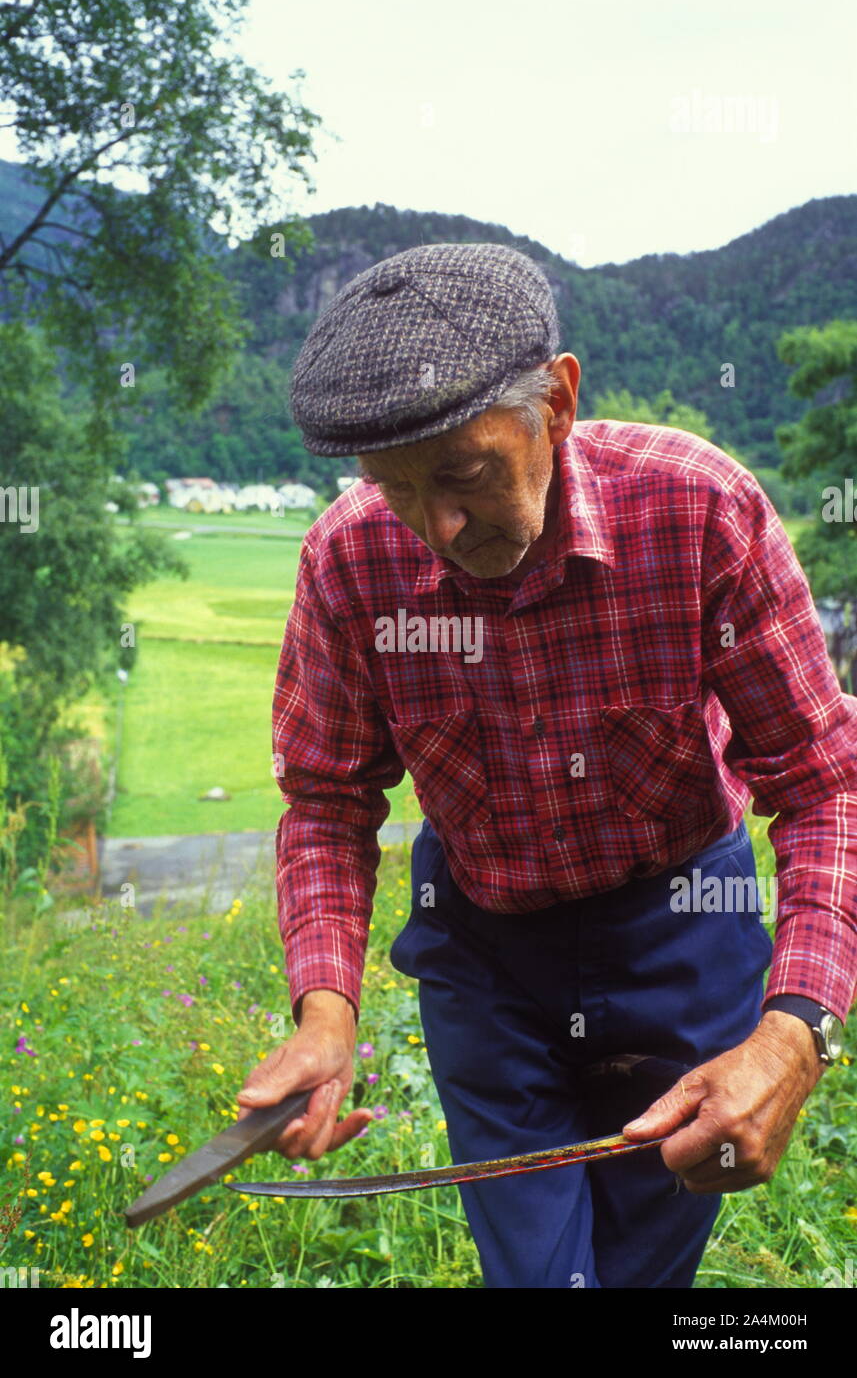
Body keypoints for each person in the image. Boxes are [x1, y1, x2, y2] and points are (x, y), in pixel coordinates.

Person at [236, 242, 856, 1288]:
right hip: (486, 954)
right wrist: (324, 1014)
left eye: (463, 475)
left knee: (640, 1267)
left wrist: (794, 1031)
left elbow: (821, 783)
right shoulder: (348, 561)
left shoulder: (698, 510)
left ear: (556, 402)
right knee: (536, 1274)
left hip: (682, 932)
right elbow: (327, 802)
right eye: (393, 488)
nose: (434, 528)